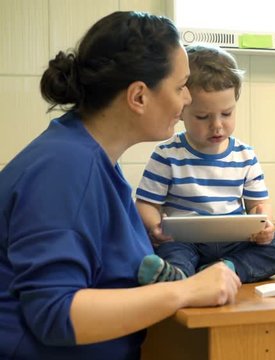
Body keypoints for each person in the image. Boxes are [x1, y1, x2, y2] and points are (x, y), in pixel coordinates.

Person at [0, 11, 241, 360]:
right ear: (139, 97)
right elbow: (56, 314)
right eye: (179, 87)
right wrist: (184, 292)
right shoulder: (64, 168)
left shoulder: (90, 159)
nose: (187, 99)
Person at [135, 44, 275, 285]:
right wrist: (155, 226)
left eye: (227, 113)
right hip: (186, 242)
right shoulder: (167, 154)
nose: (217, 125)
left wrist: (265, 224)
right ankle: (180, 275)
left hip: (234, 243)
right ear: (181, 110)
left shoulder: (245, 155)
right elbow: (146, 204)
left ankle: (226, 269)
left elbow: (259, 205)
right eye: (203, 117)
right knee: (173, 253)